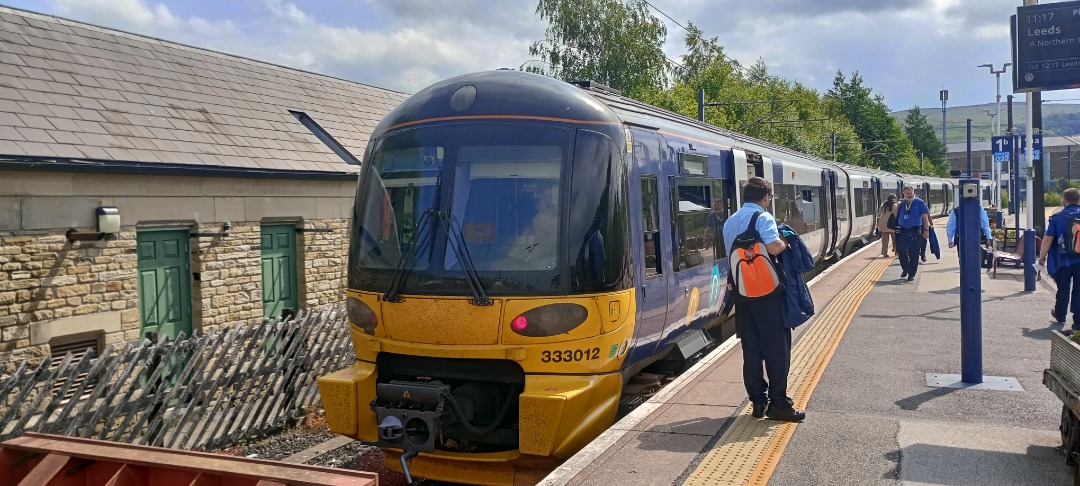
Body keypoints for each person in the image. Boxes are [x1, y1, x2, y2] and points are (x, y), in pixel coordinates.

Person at [722, 177, 805, 422]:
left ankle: (758, 402)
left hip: (742, 291)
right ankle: (779, 403)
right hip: (767, 292)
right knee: (777, 348)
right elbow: (774, 248)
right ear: (765, 197)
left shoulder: (730, 221)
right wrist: (785, 240)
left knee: (752, 348)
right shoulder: (763, 217)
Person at [1038, 188, 1080, 328]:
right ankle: (1078, 322)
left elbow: (1048, 239)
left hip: (1063, 260)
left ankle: (1060, 314)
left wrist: (1042, 257)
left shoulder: (1058, 218)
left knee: (1063, 288)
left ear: (1064, 200)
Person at [895, 185, 931, 281]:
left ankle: (911, 274)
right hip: (902, 230)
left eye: (911, 193)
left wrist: (926, 230)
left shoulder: (920, 203)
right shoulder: (901, 203)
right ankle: (905, 268)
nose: (909, 195)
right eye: (907, 193)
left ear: (913, 192)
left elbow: (925, 217)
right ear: (904, 193)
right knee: (901, 251)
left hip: (915, 230)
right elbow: (895, 216)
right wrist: (897, 207)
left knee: (913, 253)